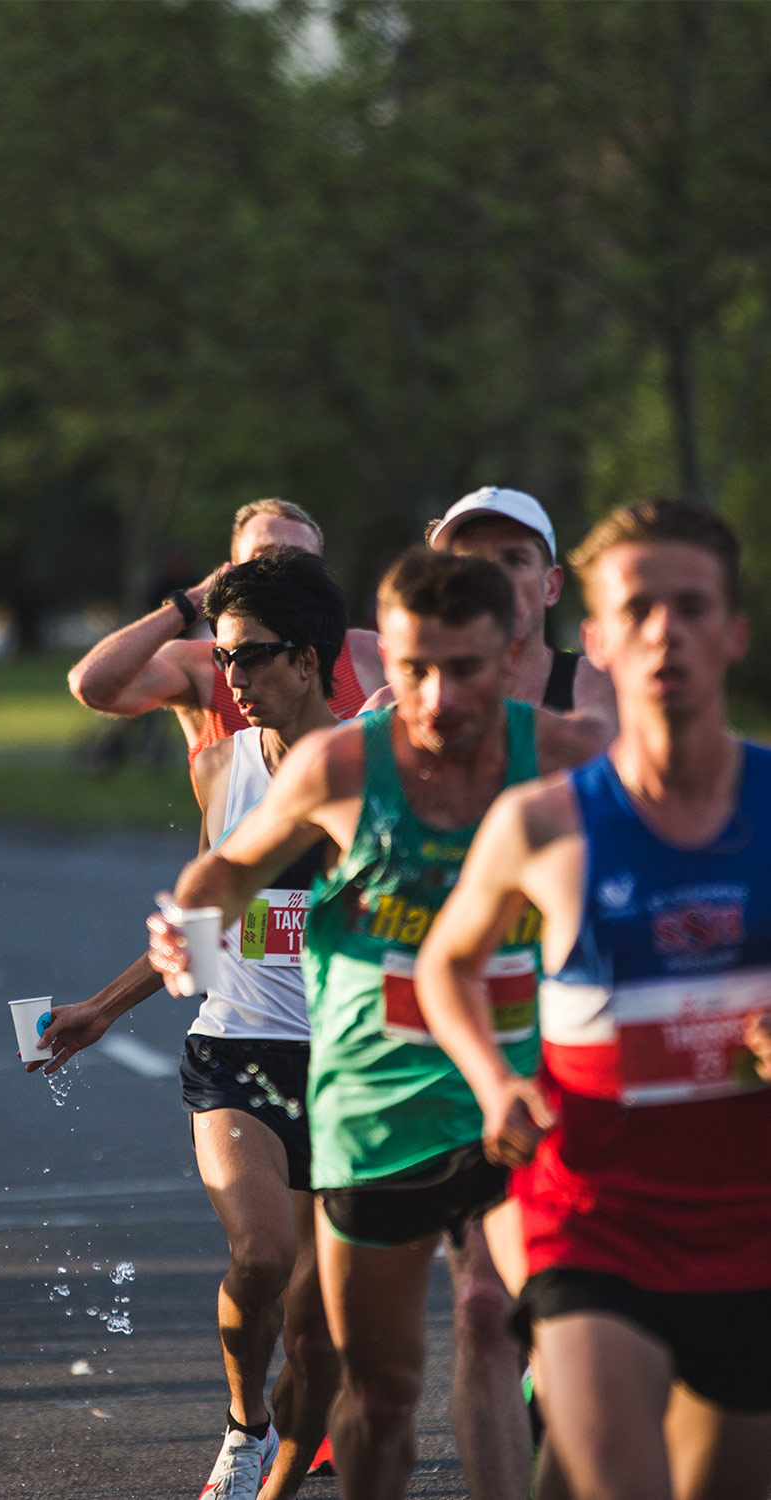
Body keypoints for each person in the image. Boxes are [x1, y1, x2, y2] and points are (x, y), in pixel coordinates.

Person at [147, 548, 607, 1500]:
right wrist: (184, 935)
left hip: (512, 1097)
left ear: (513, 652)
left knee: (570, 1342)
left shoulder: (562, 757)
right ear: (382, 663)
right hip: (375, 1104)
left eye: (466, 669)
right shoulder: (341, 764)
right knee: (382, 1391)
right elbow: (222, 875)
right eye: (413, 671)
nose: (437, 698)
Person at [413, 500, 771, 1500]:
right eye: (641, 608)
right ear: (600, 638)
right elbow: (448, 964)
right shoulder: (544, 825)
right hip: (592, 1218)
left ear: (734, 632)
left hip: (752, 1225)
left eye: (693, 606)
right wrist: (493, 1084)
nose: (667, 632)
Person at [44, 551, 347, 1498]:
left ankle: (279, 1481)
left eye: (251, 658)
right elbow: (206, 926)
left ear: (308, 660)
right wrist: (102, 1006)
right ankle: (241, 1425)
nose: (234, 679)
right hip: (236, 1049)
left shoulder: (374, 769)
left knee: (323, 1337)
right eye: (224, 660)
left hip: (349, 1066)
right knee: (262, 1256)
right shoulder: (224, 764)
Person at [67, 500, 384, 788]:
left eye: (298, 562)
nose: (283, 574)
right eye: (265, 559)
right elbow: (91, 684)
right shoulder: (201, 665)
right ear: (230, 573)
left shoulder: (370, 654)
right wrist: (191, 601)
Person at [363, 486, 616, 732]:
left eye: (515, 559)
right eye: (471, 563)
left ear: (551, 585)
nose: (495, 578)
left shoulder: (606, 695)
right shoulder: (384, 715)